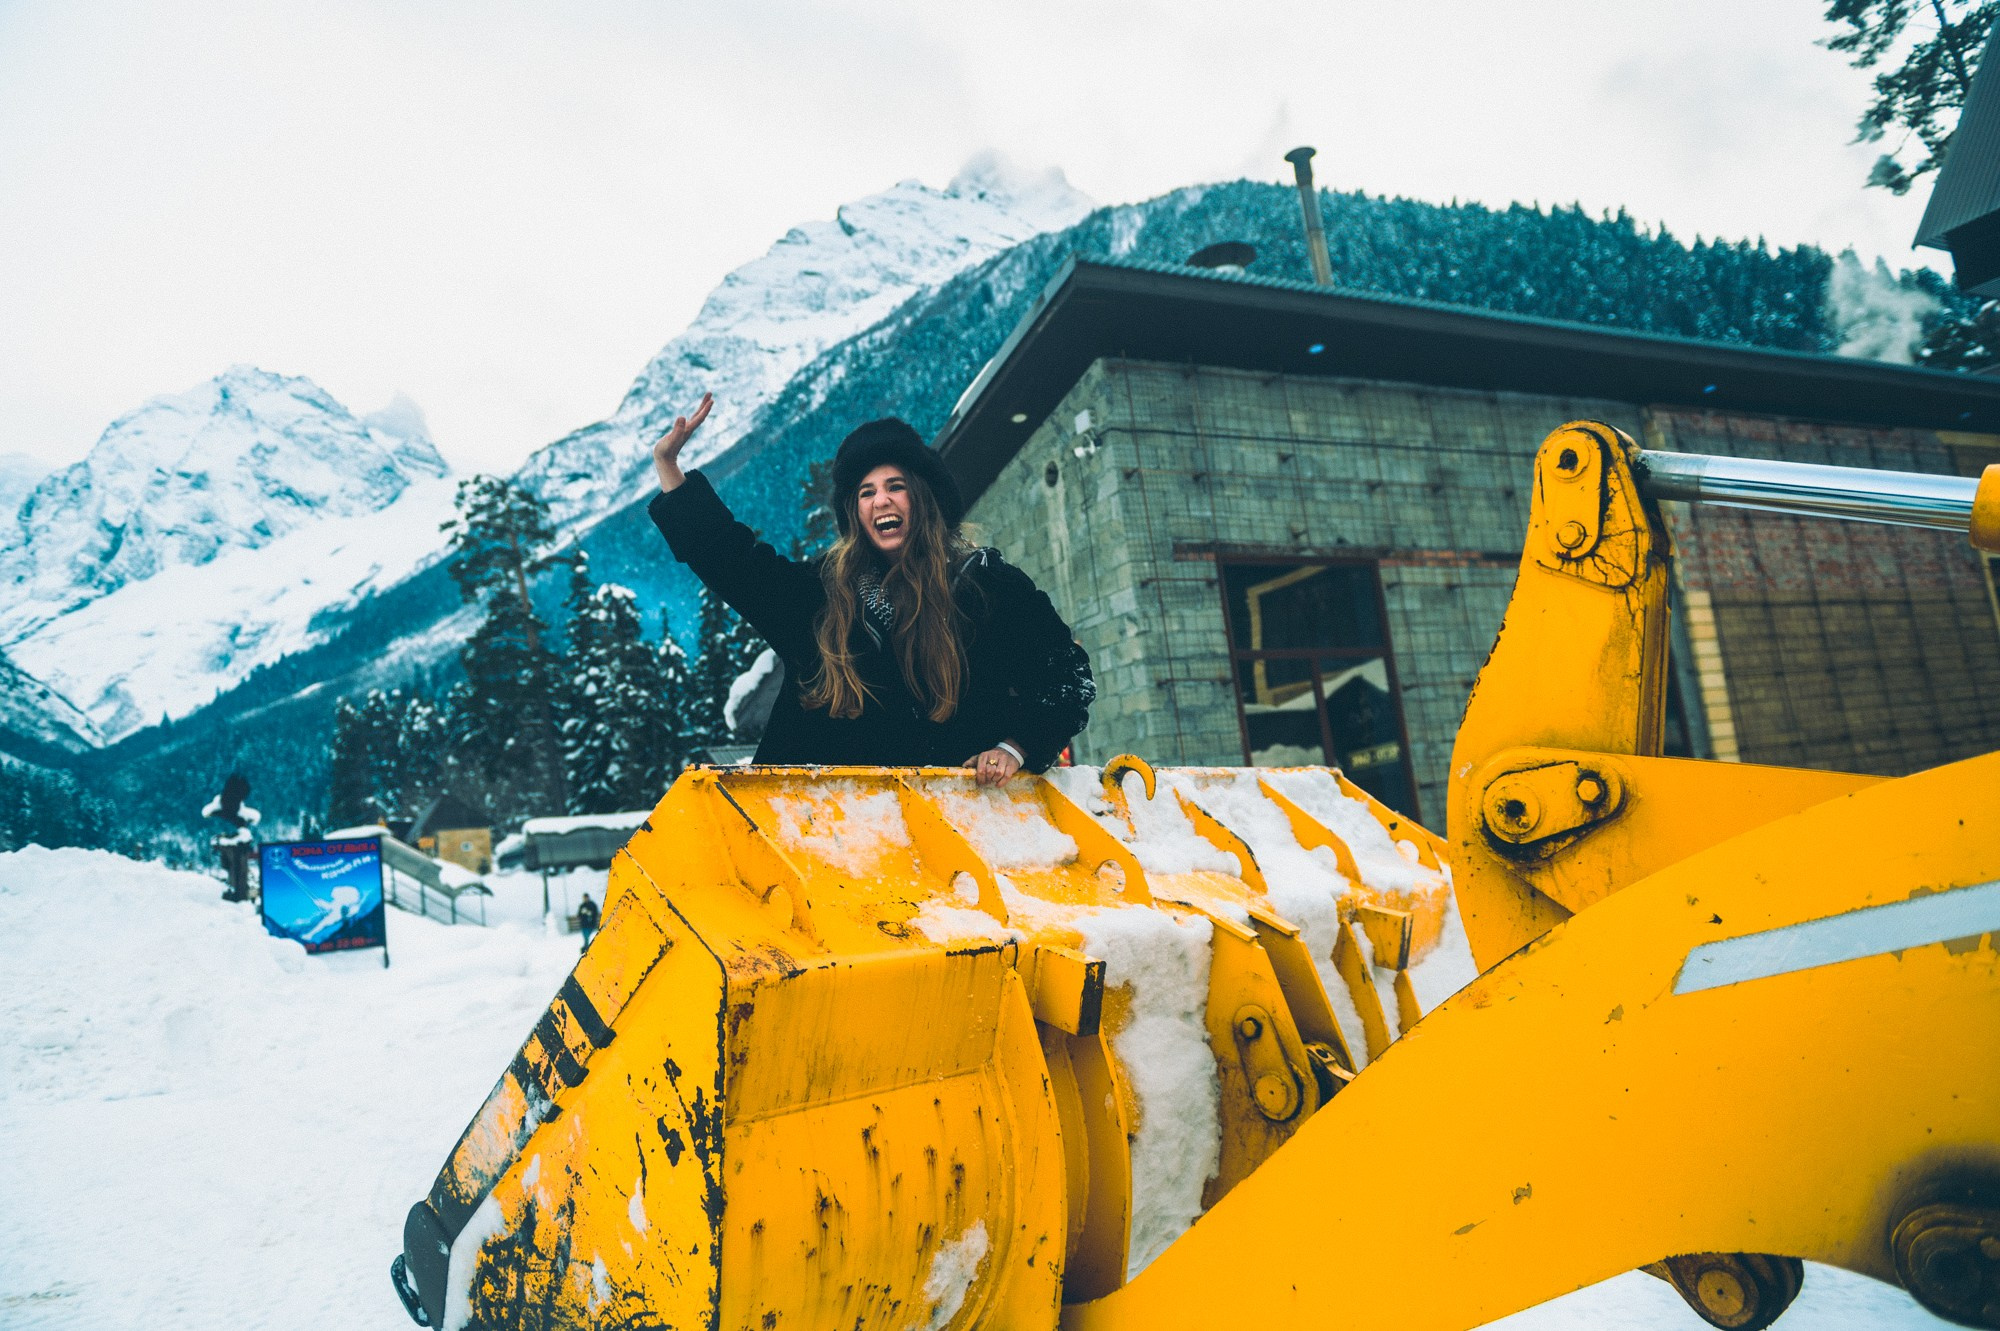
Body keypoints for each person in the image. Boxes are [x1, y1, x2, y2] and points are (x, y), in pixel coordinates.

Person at [649, 395, 1094, 783]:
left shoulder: (985, 588)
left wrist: (1015, 748)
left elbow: (1069, 679)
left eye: (895, 487)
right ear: (855, 513)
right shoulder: (819, 597)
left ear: (923, 499)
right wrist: (668, 467)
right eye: (866, 492)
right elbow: (733, 562)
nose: (881, 500)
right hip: (816, 843)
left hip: (950, 844)